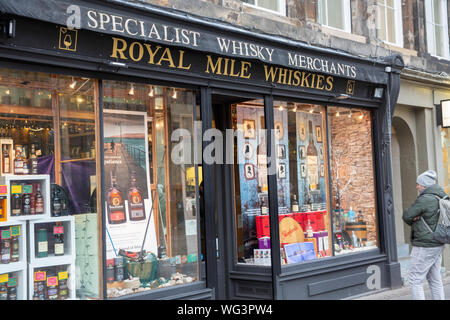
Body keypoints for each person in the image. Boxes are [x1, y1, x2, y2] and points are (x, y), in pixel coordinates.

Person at [402, 170, 447, 300]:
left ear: (425, 185)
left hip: (425, 244)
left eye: (419, 184)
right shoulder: (441, 196)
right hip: (438, 242)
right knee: (435, 278)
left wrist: (415, 218)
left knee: (415, 279)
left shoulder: (425, 199)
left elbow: (406, 215)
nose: (417, 186)